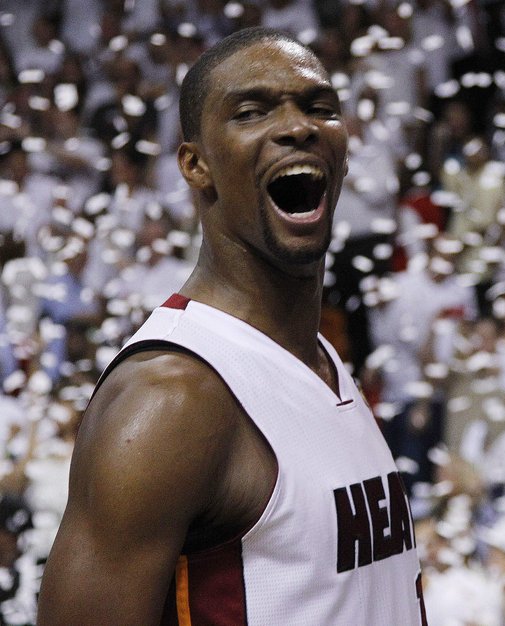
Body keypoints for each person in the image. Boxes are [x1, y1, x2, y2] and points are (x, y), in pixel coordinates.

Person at [38, 27, 426, 625]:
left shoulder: (317, 357)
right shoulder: (171, 397)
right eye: (252, 111)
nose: (299, 126)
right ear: (197, 165)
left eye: (320, 107)